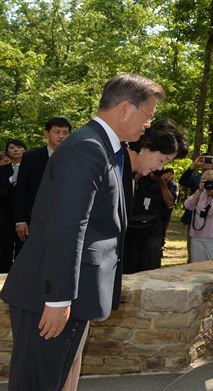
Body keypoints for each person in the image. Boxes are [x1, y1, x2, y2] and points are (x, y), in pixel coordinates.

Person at [0, 73, 164, 391]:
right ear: (126, 108)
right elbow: (67, 226)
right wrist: (58, 300)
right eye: (148, 115)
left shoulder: (103, 147)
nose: (148, 125)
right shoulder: (87, 148)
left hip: (67, 295)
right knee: (37, 384)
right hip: (48, 297)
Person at [123, 118, 188, 274]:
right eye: (162, 160)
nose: (159, 168)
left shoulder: (129, 175)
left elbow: (170, 204)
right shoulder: (113, 168)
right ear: (147, 146)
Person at [14, 118, 72, 252]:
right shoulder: (30, 157)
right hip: (34, 220)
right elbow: (21, 190)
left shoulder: (75, 157)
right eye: (57, 132)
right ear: (46, 133)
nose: (61, 136)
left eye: (65, 132)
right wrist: (20, 221)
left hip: (65, 220)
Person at [0, 139, 26, 273]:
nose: (16, 150)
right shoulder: (2, 170)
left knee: (23, 247)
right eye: (11, 148)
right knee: (4, 247)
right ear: (7, 152)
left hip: (25, 215)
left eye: (19, 147)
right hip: (5, 215)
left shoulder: (30, 169)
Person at [160, 168, 179, 243]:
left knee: (164, 225)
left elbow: (174, 196)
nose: (168, 175)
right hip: (157, 208)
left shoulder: (173, 185)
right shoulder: (157, 182)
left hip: (167, 209)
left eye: (171, 174)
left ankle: (162, 240)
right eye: (167, 173)